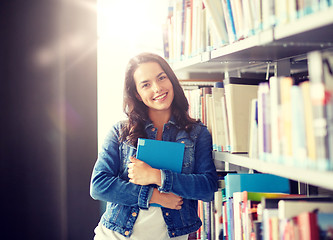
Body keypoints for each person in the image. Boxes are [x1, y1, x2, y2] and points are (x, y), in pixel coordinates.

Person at [90, 52, 218, 239]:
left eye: (161, 78)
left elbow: (207, 188)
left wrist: (158, 176)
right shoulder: (121, 131)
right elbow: (99, 186)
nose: (157, 88)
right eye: (146, 84)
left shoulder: (197, 133)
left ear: (171, 80)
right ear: (137, 94)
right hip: (115, 235)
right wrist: (152, 196)